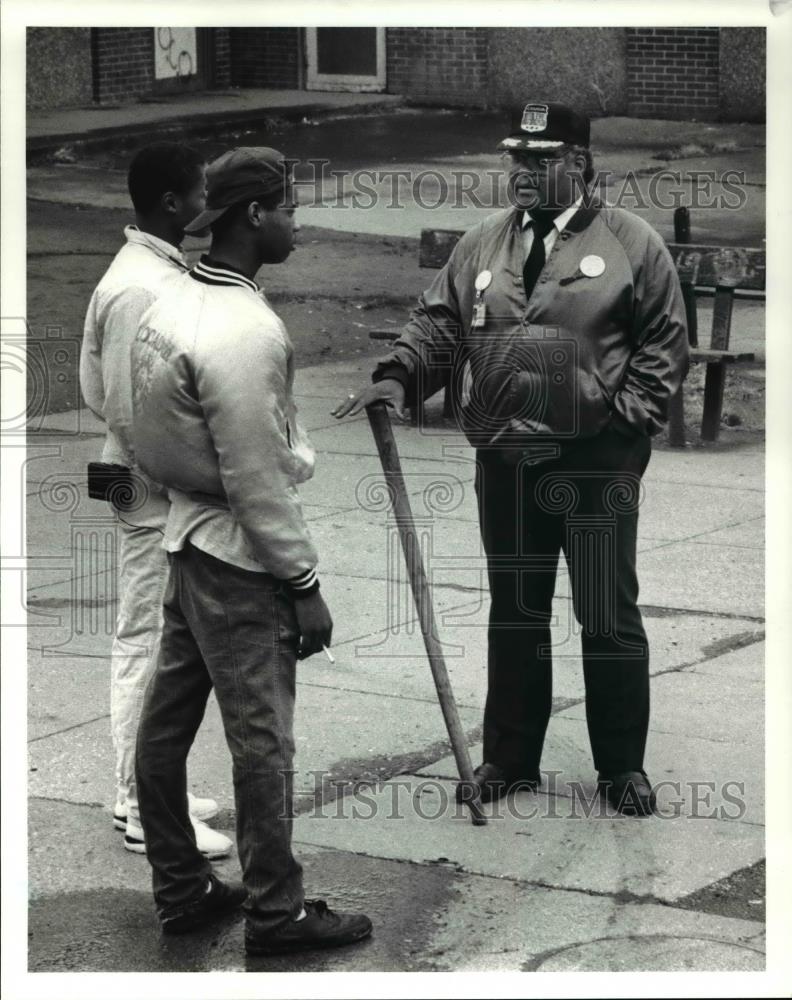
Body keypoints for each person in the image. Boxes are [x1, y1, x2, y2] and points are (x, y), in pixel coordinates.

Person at [333, 101, 689, 817]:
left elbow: (661, 343)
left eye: (540, 158)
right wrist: (401, 374)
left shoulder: (631, 242)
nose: (523, 171)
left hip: (593, 462)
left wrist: (621, 430)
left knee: (603, 610)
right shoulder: (483, 244)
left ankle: (621, 766)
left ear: (579, 164)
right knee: (516, 608)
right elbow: (438, 322)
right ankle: (510, 757)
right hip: (506, 458)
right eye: (516, 157)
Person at [130, 146, 373, 951]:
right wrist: (303, 582)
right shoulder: (243, 327)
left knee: (164, 731)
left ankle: (181, 888)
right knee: (261, 741)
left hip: (185, 541)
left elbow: (137, 429)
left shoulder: (170, 300)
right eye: (291, 210)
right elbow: (256, 477)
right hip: (236, 558)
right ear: (255, 216)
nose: (299, 225)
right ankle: (277, 911)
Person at [79, 142, 230, 857]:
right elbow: (123, 404)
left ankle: (140, 784)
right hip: (143, 483)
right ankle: (144, 801)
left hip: (136, 476)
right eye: (202, 192)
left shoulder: (151, 270)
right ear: (172, 204)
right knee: (148, 640)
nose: (210, 204)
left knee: (157, 637)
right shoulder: (140, 284)